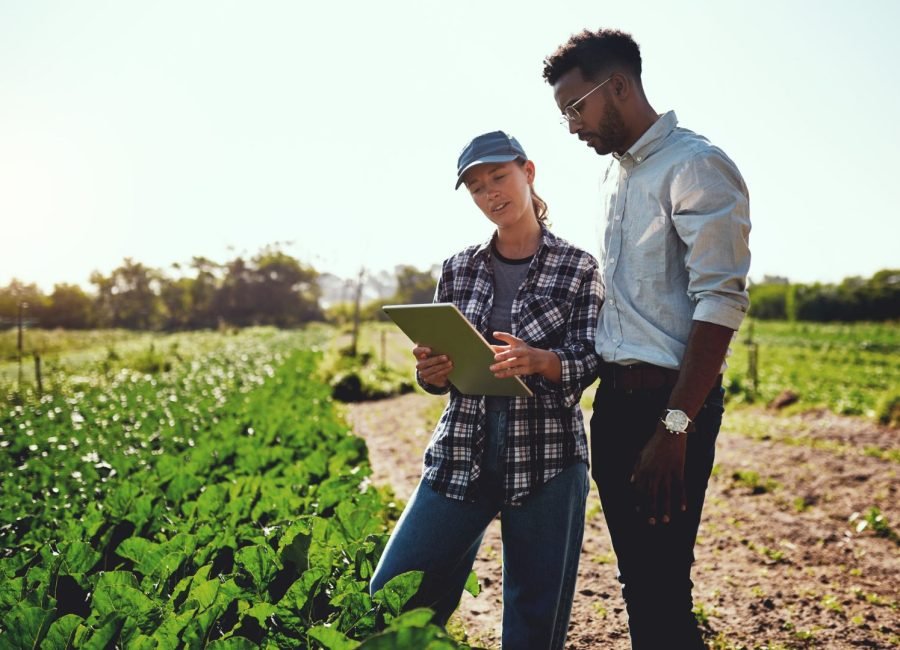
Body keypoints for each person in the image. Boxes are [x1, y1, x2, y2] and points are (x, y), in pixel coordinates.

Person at [542, 29, 752, 649]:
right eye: (564, 114)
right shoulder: (616, 176)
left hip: (669, 410)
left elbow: (720, 303)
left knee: (662, 589)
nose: (572, 126)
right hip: (615, 405)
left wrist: (674, 430)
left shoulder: (695, 165)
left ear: (621, 87)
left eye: (576, 107)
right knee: (641, 585)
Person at [369, 130, 601, 649]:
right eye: (476, 187)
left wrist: (544, 361)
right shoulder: (457, 267)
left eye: (499, 177)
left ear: (528, 172)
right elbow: (436, 370)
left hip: (548, 458)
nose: (490, 193)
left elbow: (591, 358)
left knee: (533, 617)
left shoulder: (578, 267)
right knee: (393, 593)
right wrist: (430, 372)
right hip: (461, 450)